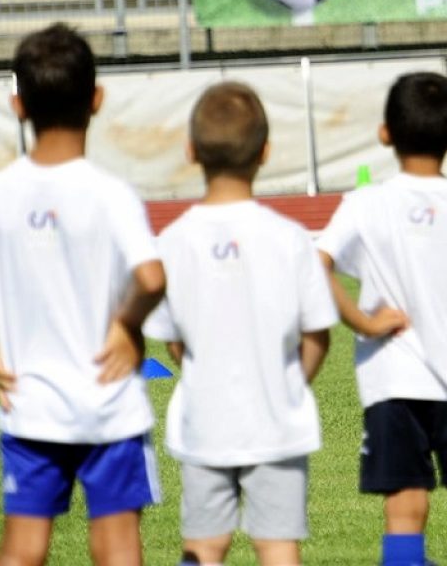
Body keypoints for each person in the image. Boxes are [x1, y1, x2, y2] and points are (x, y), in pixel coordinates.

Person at [317, 72, 447, 566]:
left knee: (404, 508)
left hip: (391, 380)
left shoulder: (364, 203)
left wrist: (360, 322)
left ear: (385, 133)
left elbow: (313, 265)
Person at [142, 81, 338, 566]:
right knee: (276, 546)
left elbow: (172, 341)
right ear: (266, 152)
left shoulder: (172, 241)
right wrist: (290, 382)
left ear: (190, 151)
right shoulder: (291, 240)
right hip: (277, 421)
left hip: (203, 421)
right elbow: (317, 334)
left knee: (205, 546)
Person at [0, 23, 166, 565]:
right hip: (108, 403)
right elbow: (152, 278)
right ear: (97, 99)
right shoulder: (110, 194)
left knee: (23, 550)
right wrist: (126, 324)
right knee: (117, 550)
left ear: (17, 104)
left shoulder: (4, 193)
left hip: (29, 403)